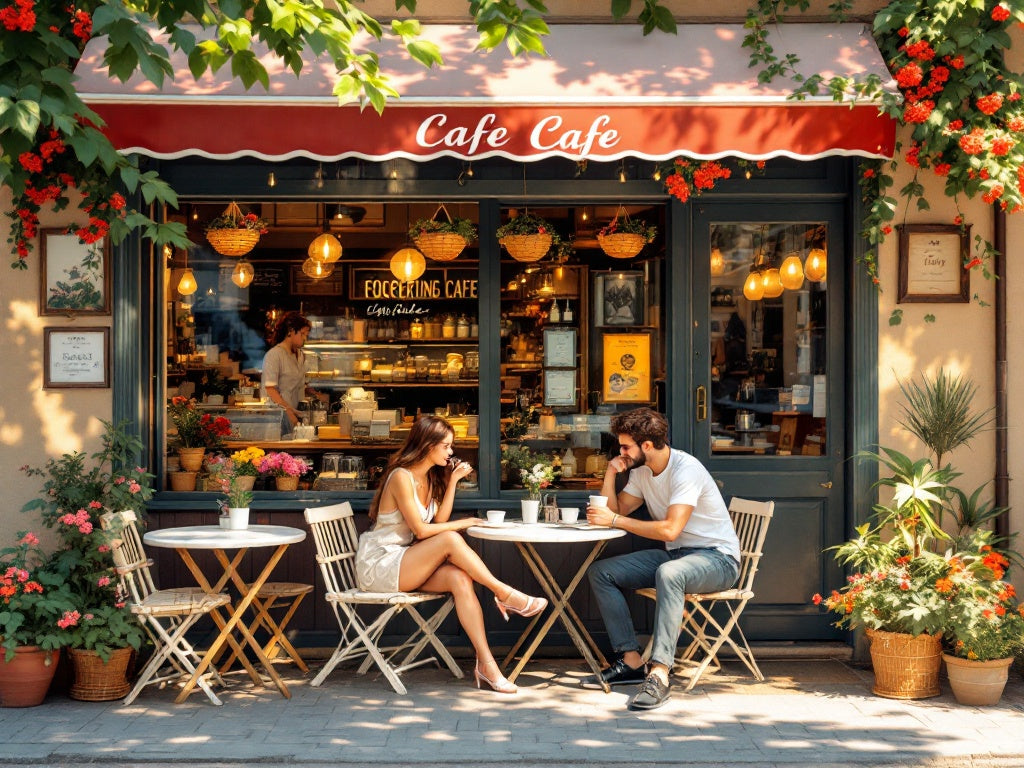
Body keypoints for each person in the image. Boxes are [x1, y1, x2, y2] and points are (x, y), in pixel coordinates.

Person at [355, 415, 547, 694]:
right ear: (427, 445)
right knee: (450, 538)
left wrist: (453, 481)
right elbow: (422, 532)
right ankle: (504, 593)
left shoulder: (430, 477)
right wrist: (464, 522)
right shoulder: (401, 477)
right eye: (445, 446)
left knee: (459, 578)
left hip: (405, 561)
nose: (451, 452)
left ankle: (487, 665)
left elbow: (436, 522)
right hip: (380, 564)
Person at [583, 407, 740, 711]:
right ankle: (630, 661)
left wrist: (613, 519)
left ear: (647, 445)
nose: (621, 451)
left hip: (717, 559)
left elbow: (669, 530)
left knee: (670, 573)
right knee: (602, 572)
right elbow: (620, 510)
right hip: (679, 557)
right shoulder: (641, 471)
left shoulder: (686, 469)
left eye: (626, 446)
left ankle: (659, 674)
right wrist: (611, 473)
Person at [259, 311, 322, 431]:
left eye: (306, 335)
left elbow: (298, 386)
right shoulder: (274, 355)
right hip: (276, 418)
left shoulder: (300, 355)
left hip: (294, 415)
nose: (305, 339)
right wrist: (289, 412)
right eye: (302, 334)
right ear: (291, 331)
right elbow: (270, 389)